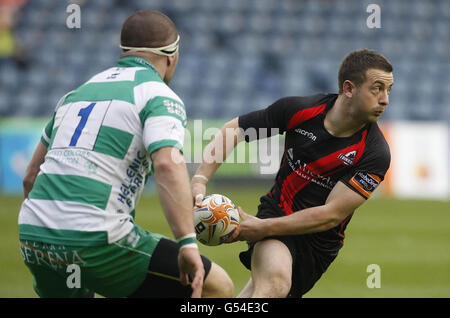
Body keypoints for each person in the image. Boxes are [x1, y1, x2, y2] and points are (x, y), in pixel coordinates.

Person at [18, 10, 233, 298]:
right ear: (172, 55)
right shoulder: (158, 95)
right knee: (215, 286)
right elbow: (168, 164)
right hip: (93, 236)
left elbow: (30, 177)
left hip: (33, 234)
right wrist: (187, 243)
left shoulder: (74, 95)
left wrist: (53, 229)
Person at [191, 49, 393, 298]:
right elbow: (234, 129)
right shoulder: (300, 110)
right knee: (274, 284)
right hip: (277, 211)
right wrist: (200, 179)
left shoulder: (375, 153)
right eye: (377, 88)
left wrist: (263, 228)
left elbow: (330, 215)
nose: (385, 99)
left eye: (388, 90)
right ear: (349, 89)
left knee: (264, 291)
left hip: (318, 245)